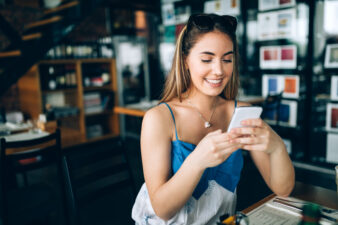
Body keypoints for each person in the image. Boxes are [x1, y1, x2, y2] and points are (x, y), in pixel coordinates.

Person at [132, 13, 295, 225]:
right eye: (207, 59)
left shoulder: (240, 113)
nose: (219, 70)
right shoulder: (159, 118)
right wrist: (198, 160)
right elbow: (163, 210)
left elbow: (283, 189)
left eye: (227, 59)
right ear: (185, 61)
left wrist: (277, 147)